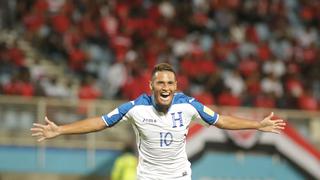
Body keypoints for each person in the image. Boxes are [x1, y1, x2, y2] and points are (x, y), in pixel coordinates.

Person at [31, 63, 286, 180]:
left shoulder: (188, 105)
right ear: (151, 85)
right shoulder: (135, 108)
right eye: (160, 82)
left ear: (176, 86)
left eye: (170, 83)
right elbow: (99, 122)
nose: (165, 87)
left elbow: (221, 121)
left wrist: (257, 125)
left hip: (180, 176)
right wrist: (60, 129)